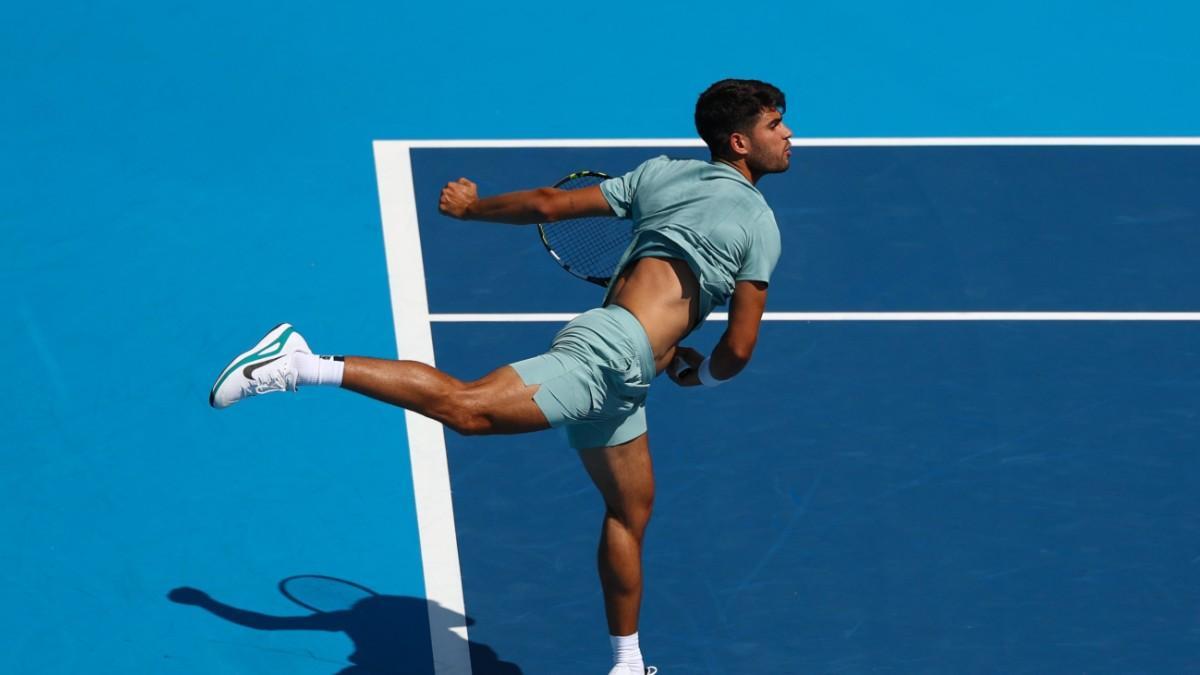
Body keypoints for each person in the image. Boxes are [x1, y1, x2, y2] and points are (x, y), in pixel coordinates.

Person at [210, 78, 791, 675]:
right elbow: (739, 347)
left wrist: (468, 209)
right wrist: (702, 380)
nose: (790, 134)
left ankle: (627, 663)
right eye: (777, 126)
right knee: (468, 410)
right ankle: (300, 362)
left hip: (625, 375)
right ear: (740, 143)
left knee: (630, 511)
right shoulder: (759, 225)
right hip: (611, 356)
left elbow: (547, 203)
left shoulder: (664, 173)